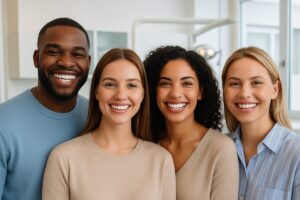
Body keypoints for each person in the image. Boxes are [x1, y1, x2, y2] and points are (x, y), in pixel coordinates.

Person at [42, 48, 176, 200]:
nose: (120, 95)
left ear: (142, 94)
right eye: (110, 84)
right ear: (96, 92)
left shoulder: (161, 159)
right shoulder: (64, 158)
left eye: (131, 85)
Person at [0, 18, 91, 200]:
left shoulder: (97, 116)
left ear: (88, 62)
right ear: (36, 58)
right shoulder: (4, 121)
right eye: (53, 52)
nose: (66, 62)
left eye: (77, 54)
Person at [144, 45, 239, 200]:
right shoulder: (146, 142)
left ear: (200, 91)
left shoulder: (220, 149)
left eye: (187, 83)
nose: (175, 93)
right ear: (154, 91)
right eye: (165, 83)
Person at [222, 46, 300, 199]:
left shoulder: (296, 155)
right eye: (235, 83)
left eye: (256, 82)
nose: (244, 93)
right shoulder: (218, 148)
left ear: (275, 90)